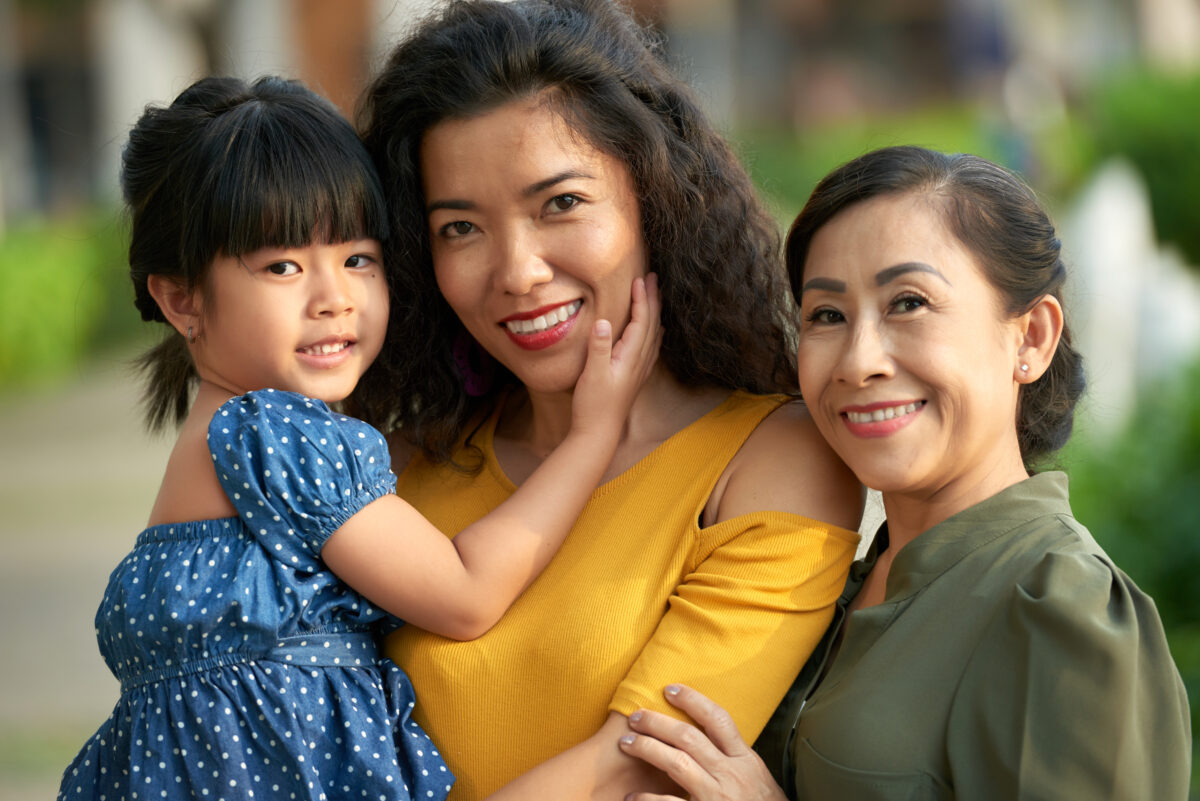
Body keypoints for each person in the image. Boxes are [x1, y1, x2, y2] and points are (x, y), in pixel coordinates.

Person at [56, 74, 663, 801]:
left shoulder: (216, 435)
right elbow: (464, 593)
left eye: (358, 259)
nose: (334, 297)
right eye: (282, 265)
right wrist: (591, 436)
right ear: (181, 297)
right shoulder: (274, 431)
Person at [353, 0, 864, 798]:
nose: (517, 270)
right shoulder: (397, 462)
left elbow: (632, 767)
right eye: (461, 227)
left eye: (560, 203)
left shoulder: (772, 462)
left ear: (653, 197)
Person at [616, 145, 1192, 799]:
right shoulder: (838, 582)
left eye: (909, 303)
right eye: (826, 315)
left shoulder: (1065, 607)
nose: (859, 360)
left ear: (1030, 337)